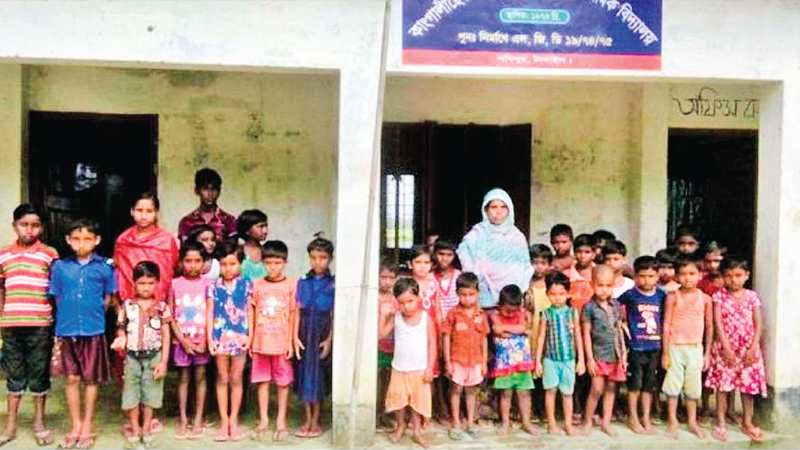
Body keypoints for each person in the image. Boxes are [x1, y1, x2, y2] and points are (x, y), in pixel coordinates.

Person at [113, 193, 179, 437]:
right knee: (128, 362)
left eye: (149, 211)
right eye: (139, 210)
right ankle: (133, 415)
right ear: (132, 211)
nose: (144, 215)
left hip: (157, 305)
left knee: (153, 364)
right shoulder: (123, 240)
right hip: (131, 305)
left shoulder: (166, 240)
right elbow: (121, 272)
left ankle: (150, 416)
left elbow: (170, 271)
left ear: (156, 213)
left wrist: (161, 301)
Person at [49, 218, 116, 449]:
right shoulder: (59, 267)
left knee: (90, 379)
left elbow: (108, 299)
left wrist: (93, 313)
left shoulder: (105, 267)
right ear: (68, 240)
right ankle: (75, 425)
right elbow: (57, 297)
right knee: (71, 378)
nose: (82, 243)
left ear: (96, 240)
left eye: (87, 238)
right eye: (76, 238)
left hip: (93, 329)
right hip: (67, 330)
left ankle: (88, 425)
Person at [0, 204, 59, 447]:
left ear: (41, 228)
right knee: (13, 375)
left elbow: (55, 291)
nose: (29, 230)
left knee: (38, 374)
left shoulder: (49, 254)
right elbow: (1, 290)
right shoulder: (3, 254)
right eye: (24, 224)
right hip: (11, 324)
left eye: (35, 225)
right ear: (15, 226)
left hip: (40, 323)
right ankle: (11, 424)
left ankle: (39, 422)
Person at [705, 257, 767, 443]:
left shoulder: (752, 296)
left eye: (738, 275)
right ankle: (721, 421)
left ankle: (747, 421)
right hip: (726, 347)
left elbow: (758, 323)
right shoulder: (719, 296)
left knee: (748, 388)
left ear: (746, 276)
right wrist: (725, 347)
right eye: (729, 276)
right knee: (723, 387)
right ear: (723, 277)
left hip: (748, 347)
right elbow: (718, 323)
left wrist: (753, 347)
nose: (734, 280)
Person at [111, 261, 171, 449]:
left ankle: (146, 428)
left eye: (150, 283)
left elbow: (166, 335)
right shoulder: (127, 306)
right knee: (131, 393)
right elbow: (120, 328)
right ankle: (135, 428)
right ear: (134, 284)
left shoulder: (161, 307)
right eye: (142, 283)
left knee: (151, 393)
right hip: (132, 357)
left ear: (157, 283)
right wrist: (121, 339)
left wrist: (164, 361)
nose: (146, 288)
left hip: (154, 356)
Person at [250, 240, 298, 442]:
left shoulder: (291, 285)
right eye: (268, 263)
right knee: (262, 382)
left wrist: (291, 341)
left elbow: (294, 314)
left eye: (277, 263)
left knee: (282, 384)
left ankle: (280, 422)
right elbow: (251, 312)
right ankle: (263, 420)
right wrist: (251, 339)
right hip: (261, 343)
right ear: (262, 263)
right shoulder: (257, 285)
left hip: (281, 344)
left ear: (285, 263)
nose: (273, 267)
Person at [380, 278, 436, 448]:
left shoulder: (426, 318)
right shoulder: (395, 318)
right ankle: (400, 425)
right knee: (399, 401)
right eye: (402, 303)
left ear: (418, 298)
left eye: (411, 301)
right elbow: (381, 334)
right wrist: (383, 315)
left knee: (417, 403)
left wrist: (430, 368)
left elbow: (432, 343)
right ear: (397, 302)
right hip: (399, 368)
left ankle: (417, 431)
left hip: (419, 370)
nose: (407, 306)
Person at [661, 256, 713, 439]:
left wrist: (707, 354)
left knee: (693, 387)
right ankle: (672, 420)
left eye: (692, 274)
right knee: (673, 386)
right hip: (676, 347)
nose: (687, 278)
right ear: (676, 276)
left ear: (700, 275)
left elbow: (709, 327)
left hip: (695, 348)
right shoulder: (672, 297)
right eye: (683, 274)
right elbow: (666, 325)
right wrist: (665, 353)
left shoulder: (705, 299)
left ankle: (692, 421)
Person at [207, 240, 253, 442]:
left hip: (240, 337)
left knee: (236, 379)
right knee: (222, 378)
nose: (228, 268)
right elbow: (209, 312)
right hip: (219, 337)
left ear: (240, 263)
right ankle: (223, 420)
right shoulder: (213, 286)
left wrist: (250, 336)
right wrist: (209, 338)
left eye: (233, 264)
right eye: (224, 264)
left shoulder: (247, 284)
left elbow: (250, 310)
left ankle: (234, 420)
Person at [457, 188, 533, 309]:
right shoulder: (476, 235)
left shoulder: (517, 237)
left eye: (503, 207)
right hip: (482, 299)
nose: (498, 211)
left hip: (511, 301)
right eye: (494, 207)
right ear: (486, 210)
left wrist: (518, 292)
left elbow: (524, 268)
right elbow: (466, 262)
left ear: (509, 209)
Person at [167, 241, 213, 440]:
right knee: (183, 379)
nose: (192, 265)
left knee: (201, 378)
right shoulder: (175, 284)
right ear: (181, 262)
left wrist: (206, 340)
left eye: (197, 261)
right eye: (188, 261)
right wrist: (182, 340)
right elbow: (169, 315)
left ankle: (198, 417)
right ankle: (184, 418)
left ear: (204, 263)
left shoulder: (208, 284)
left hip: (202, 341)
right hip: (182, 342)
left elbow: (212, 313)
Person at [617, 256, 665, 435]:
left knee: (649, 385)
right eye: (642, 276)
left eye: (651, 276)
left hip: (654, 347)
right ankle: (633, 417)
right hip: (636, 347)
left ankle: (646, 417)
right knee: (634, 384)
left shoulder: (661, 295)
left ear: (657, 277)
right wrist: (622, 322)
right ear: (635, 277)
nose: (647, 280)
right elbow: (615, 305)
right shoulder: (630, 294)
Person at [294, 234, 335, 438]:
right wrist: (294, 337)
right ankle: (306, 418)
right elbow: (297, 310)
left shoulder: (334, 284)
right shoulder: (303, 281)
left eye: (322, 257)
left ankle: (316, 420)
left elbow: (335, 314)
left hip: (321, 332)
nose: (317, 262)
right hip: (304, 332)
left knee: (318, 376)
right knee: (304, 376)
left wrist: (329, 340)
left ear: (330, 259)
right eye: (313, 257)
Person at [535, 272, 585, 436]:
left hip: (569, 359)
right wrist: (538, 361)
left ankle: (568, 424)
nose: (557, 298)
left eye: (561, 294)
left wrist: (581, 360)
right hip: (550, 359)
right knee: (550, 391)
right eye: (553, 294)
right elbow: (541, 337)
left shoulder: (572, 312)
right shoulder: (546, 313)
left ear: (568, 293)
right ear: (547, 294)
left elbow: (578, 335)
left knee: (567, 393)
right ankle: (552, 424)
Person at [441, 273, 489, 440]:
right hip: (457, 360)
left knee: (471, 392)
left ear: (477, 293)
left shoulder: (481, 315)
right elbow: (446, 337)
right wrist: (448, 361)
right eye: (463, 294)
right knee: (456, 390)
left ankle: (470, 421)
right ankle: (455, 422)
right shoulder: (453, 314)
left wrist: (484, 362)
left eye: (471, 294)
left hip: (475, 360)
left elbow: (484, 338)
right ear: (457, 294)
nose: (467, 298)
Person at [581, 265, 627, 437]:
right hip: (598, 355)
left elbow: (618, 329)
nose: (604, 290)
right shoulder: (589, 307)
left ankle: (606, 421)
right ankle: (587, 421)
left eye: (608, 286)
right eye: (600, 285)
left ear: (613, 285)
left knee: (611, 388)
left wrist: (623, 355)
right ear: (592, 284)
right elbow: (586, 333)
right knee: (596, 389)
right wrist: (589, 359)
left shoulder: (616, 305)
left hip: (615, 355)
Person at [490, 285, 538, 437]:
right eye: (507, 310)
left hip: (522, 364)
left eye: (513, 310)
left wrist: (507, 328)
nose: (510, 314)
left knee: (525, 394)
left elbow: (524, 326)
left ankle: (526, 422)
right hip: (504, 364)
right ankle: (505, 422)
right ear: (500, 305)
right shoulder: (494, 315)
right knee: (505, 394)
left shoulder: (523, 314)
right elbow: (497, 329)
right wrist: (517, 329)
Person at [407, 245, 444, 425]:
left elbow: (436, 310)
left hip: (429, 335)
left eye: (426, 262)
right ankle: (411, 414)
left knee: (429, 376)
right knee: (412, 375)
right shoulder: (406, 284)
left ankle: (426, 414)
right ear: (410, 264)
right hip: (411, 335)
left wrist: (439, 335)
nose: (422, 266)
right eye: (418, 262)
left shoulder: (433, 284)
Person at [526, 244, 552, 423]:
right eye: (535, 263)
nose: (539, 267)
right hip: (531, 331)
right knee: (531, 364)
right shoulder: (525, 285)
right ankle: (532, 408)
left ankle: (545, 408)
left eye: (543, 263)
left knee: (546, 365)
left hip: (548, 332)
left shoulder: (552, 284)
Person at [177, 168, 237, 242]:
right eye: (205, 189)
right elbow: (185, 249)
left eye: (214, 189)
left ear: (219, 192)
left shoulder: (229, 221)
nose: (210, 194)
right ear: (197, 190)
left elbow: (232, 248)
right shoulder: (187, 222)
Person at [377, 260, 398, 430]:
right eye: (384, 277)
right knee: (377, 381)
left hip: (393, 346)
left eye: (391, 277)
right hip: (376, 345)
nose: (387, 281)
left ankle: (386, 412)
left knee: (388, 382)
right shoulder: (373, 297)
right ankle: (377, 413)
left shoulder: (397, 299)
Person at [562, 234, 596, 313]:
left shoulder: (599, 273)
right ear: (574, 253)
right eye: (579, 252)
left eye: (587, 252)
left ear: (594, 255)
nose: (583, 256)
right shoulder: (566, 275)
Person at [433, 239, 461, 321]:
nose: (444, 258)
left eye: (449, 255)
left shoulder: (459, 276)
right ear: (434, 254)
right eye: (441, 254)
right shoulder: (428, 278)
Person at [237, 210, 268, 281]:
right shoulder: (238, 251)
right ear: (247, 230)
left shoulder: (267, 251)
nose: (265, 231)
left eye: (266, 226)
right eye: (260, 226)